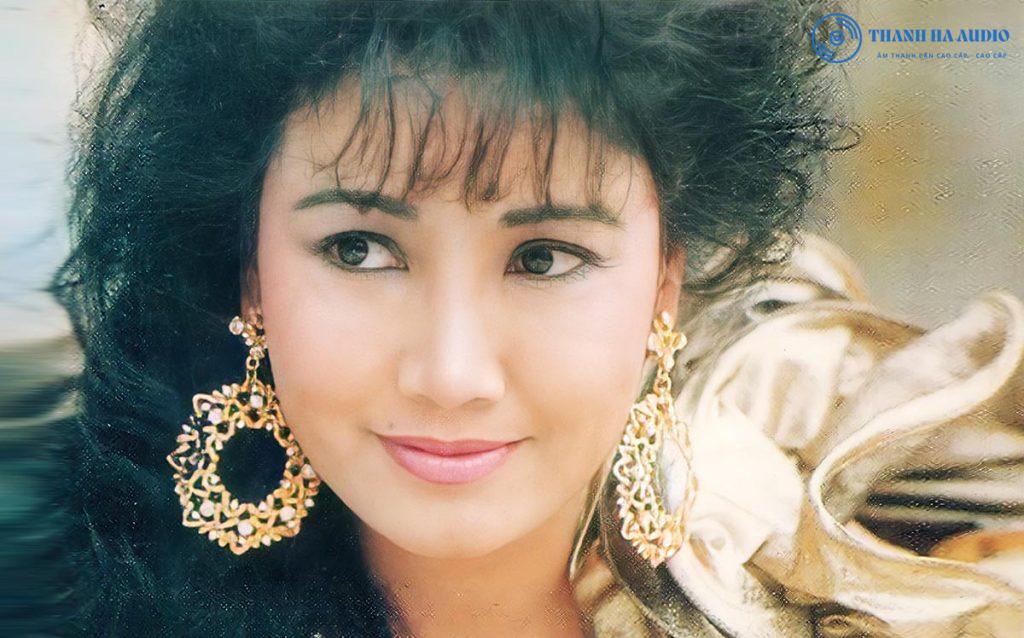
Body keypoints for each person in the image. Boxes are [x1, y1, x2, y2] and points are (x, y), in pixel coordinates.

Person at [6, 1, 1022, 636]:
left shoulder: (897, 583)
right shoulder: (77, 593)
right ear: (252, 277)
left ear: (664, 284)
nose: (452, 373)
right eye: (359, 248)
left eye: (543, 257)